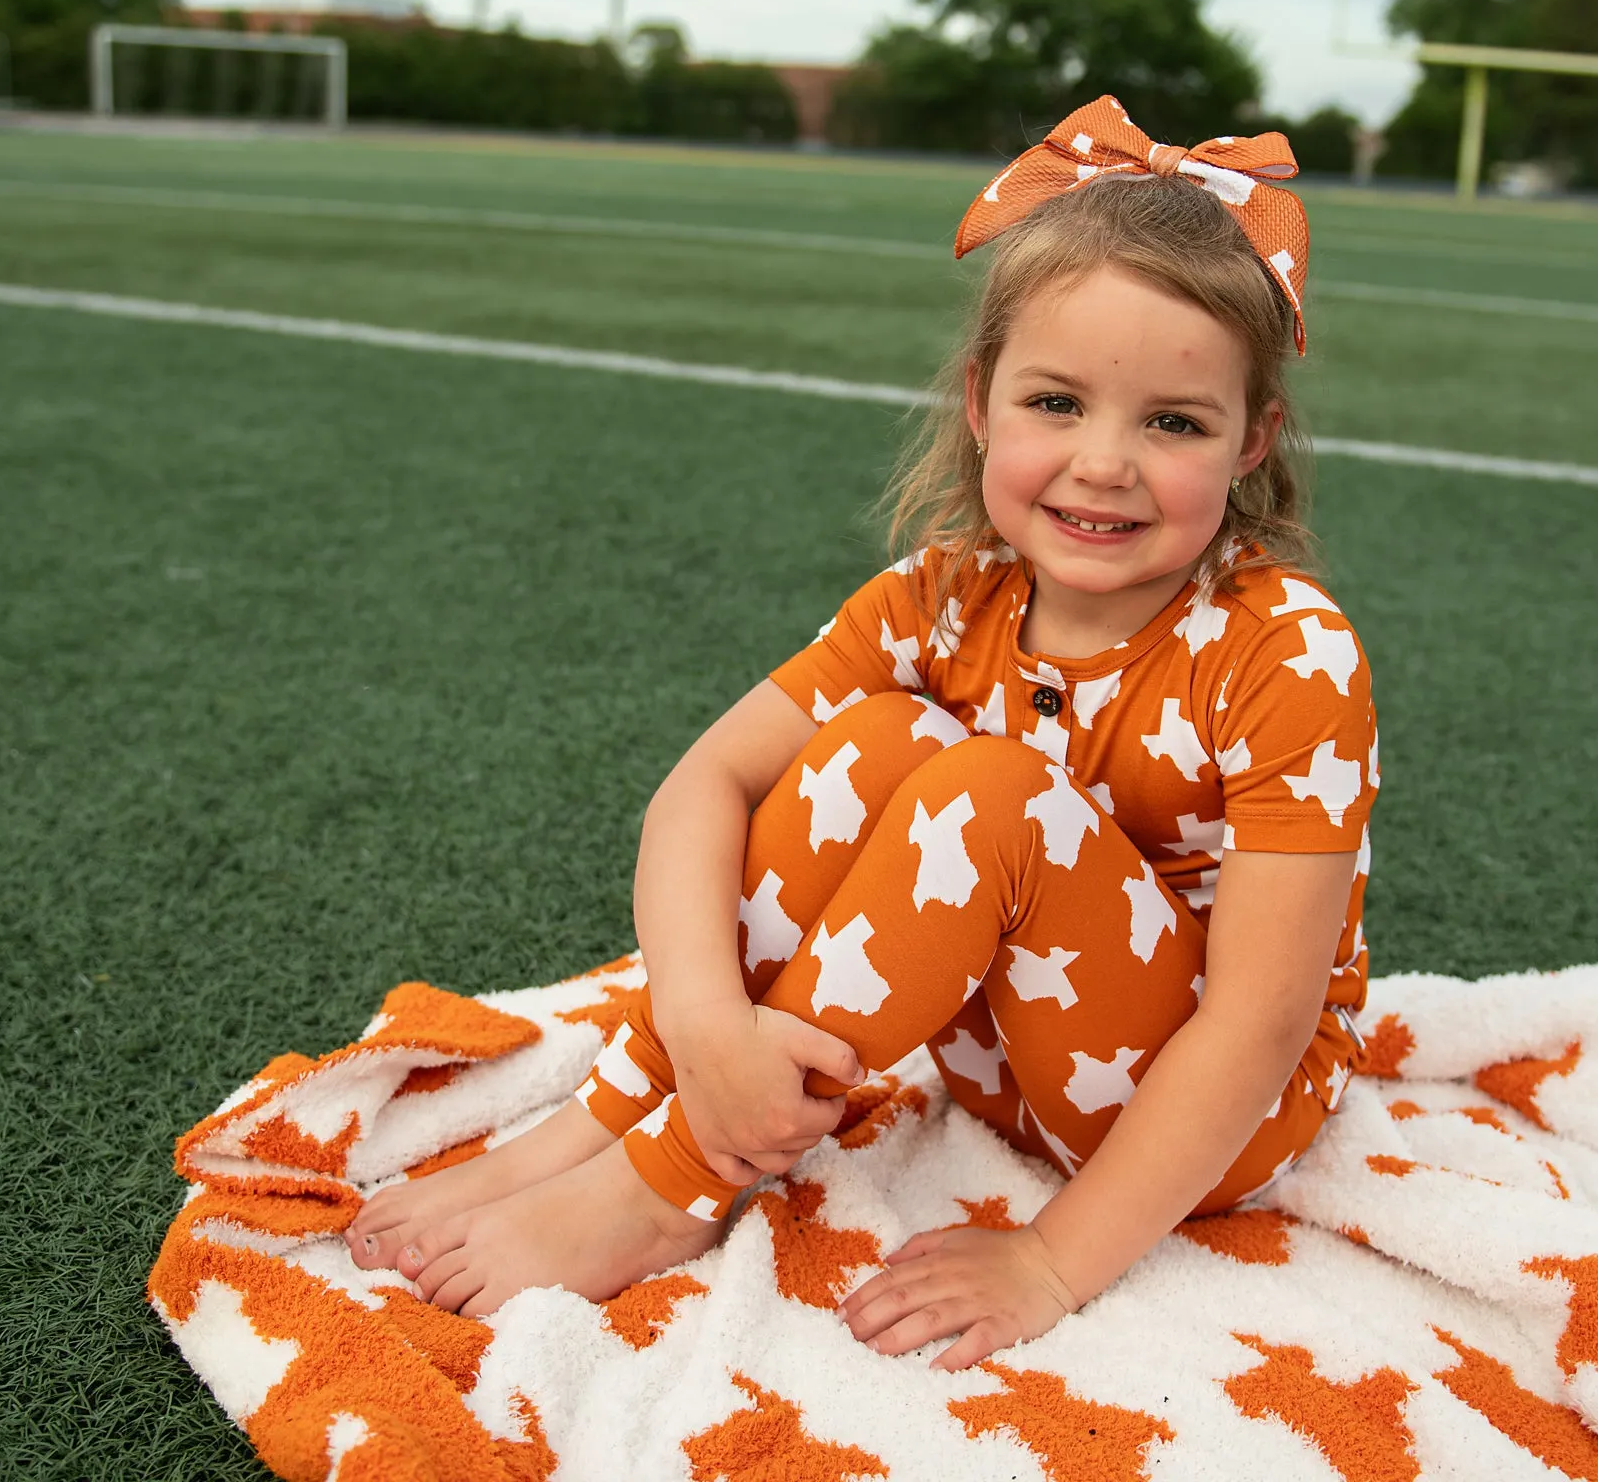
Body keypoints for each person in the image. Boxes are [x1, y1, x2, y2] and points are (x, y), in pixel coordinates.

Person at [346, 95, 1377, 1368]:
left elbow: (1260, 1025)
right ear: (981, 401)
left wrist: (1052, 1259)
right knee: (878, 739)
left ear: (1250, 439)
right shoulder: (946, 592)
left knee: (989, 788)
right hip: (1000, 1052)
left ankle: (665, 1180)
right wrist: (707, 1020)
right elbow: (702, 785)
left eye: (1172, 421)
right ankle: (602, 1121)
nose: (1103, 461)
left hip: (1210, 1116)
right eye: (1056, 400)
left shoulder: (1285, 646)